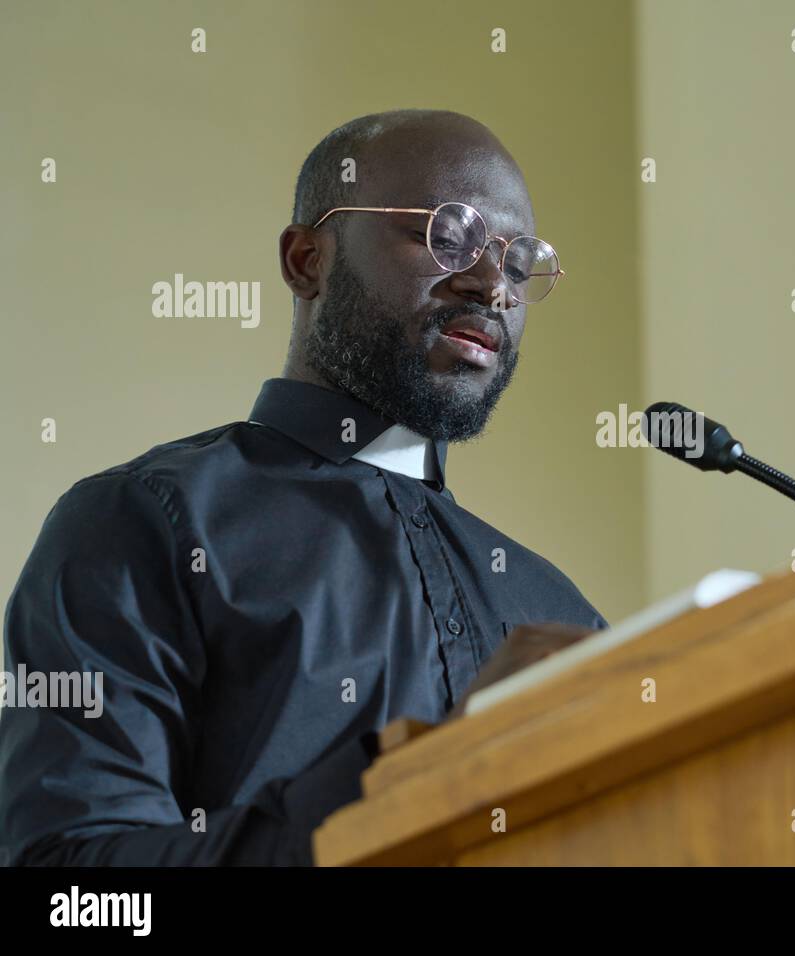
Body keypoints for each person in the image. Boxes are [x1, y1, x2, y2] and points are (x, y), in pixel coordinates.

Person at [0, 109, 604, 865]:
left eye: (519, 265)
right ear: (307, 259)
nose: (493, 285)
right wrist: (420, 776)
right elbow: (70, 889)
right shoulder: (142, 523)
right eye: (449, 234)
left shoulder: (559, 610)